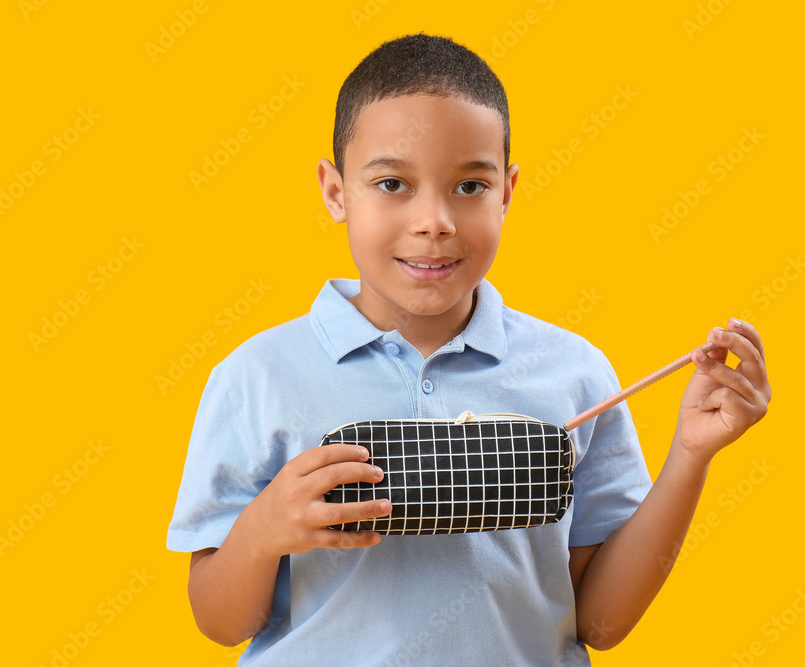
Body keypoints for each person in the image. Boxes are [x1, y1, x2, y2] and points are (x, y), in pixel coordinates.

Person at [166, 33, 771, 665]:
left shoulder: (574, 371)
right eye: (394, 183)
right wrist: (262, 533)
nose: (435, 221)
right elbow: (221, 621)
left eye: (470, 187)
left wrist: (691, 455)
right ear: (335, 191)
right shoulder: (257, 376)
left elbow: (602, 621)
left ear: (507, 191)